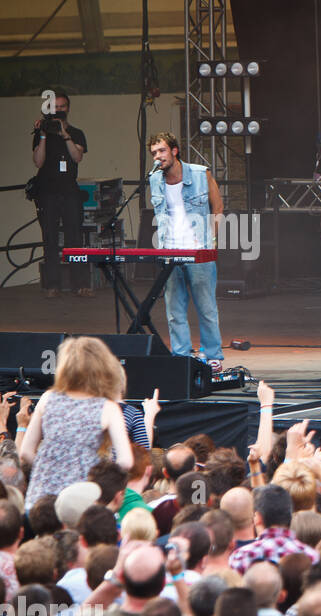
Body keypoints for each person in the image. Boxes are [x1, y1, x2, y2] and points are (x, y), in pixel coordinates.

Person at [18, 337, 133, 510]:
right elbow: (126, 461)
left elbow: (26, 452)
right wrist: (96, 481)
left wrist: (51, 470)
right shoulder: (108, 408)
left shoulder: (48, 398)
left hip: (41, 499)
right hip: (83, 500)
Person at [147, 130, 225, 370]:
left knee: (206, 307)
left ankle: (213, 356)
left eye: (161, 151)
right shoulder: (155, 179)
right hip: (170, 251)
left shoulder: (201, 174)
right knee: (174, 310)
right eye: (153, 153)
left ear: (174, 150)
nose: (157, 157)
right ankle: (181, 357)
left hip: (198, 250)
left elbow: (218, 206)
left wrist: (212, 239)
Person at [30, 91, 90, 299]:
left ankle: (80, 284)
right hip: (47, 191)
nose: (59, 111)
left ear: (68, 108)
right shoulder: (42, 132)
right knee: (50, 238)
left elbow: (77, 156)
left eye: (63, 107)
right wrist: (44, 135)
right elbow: (38, 162)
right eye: (55, 107)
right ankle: (52, 285)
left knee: (75, 237)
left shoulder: (76, 132)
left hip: (69, 190)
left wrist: (65, 134)